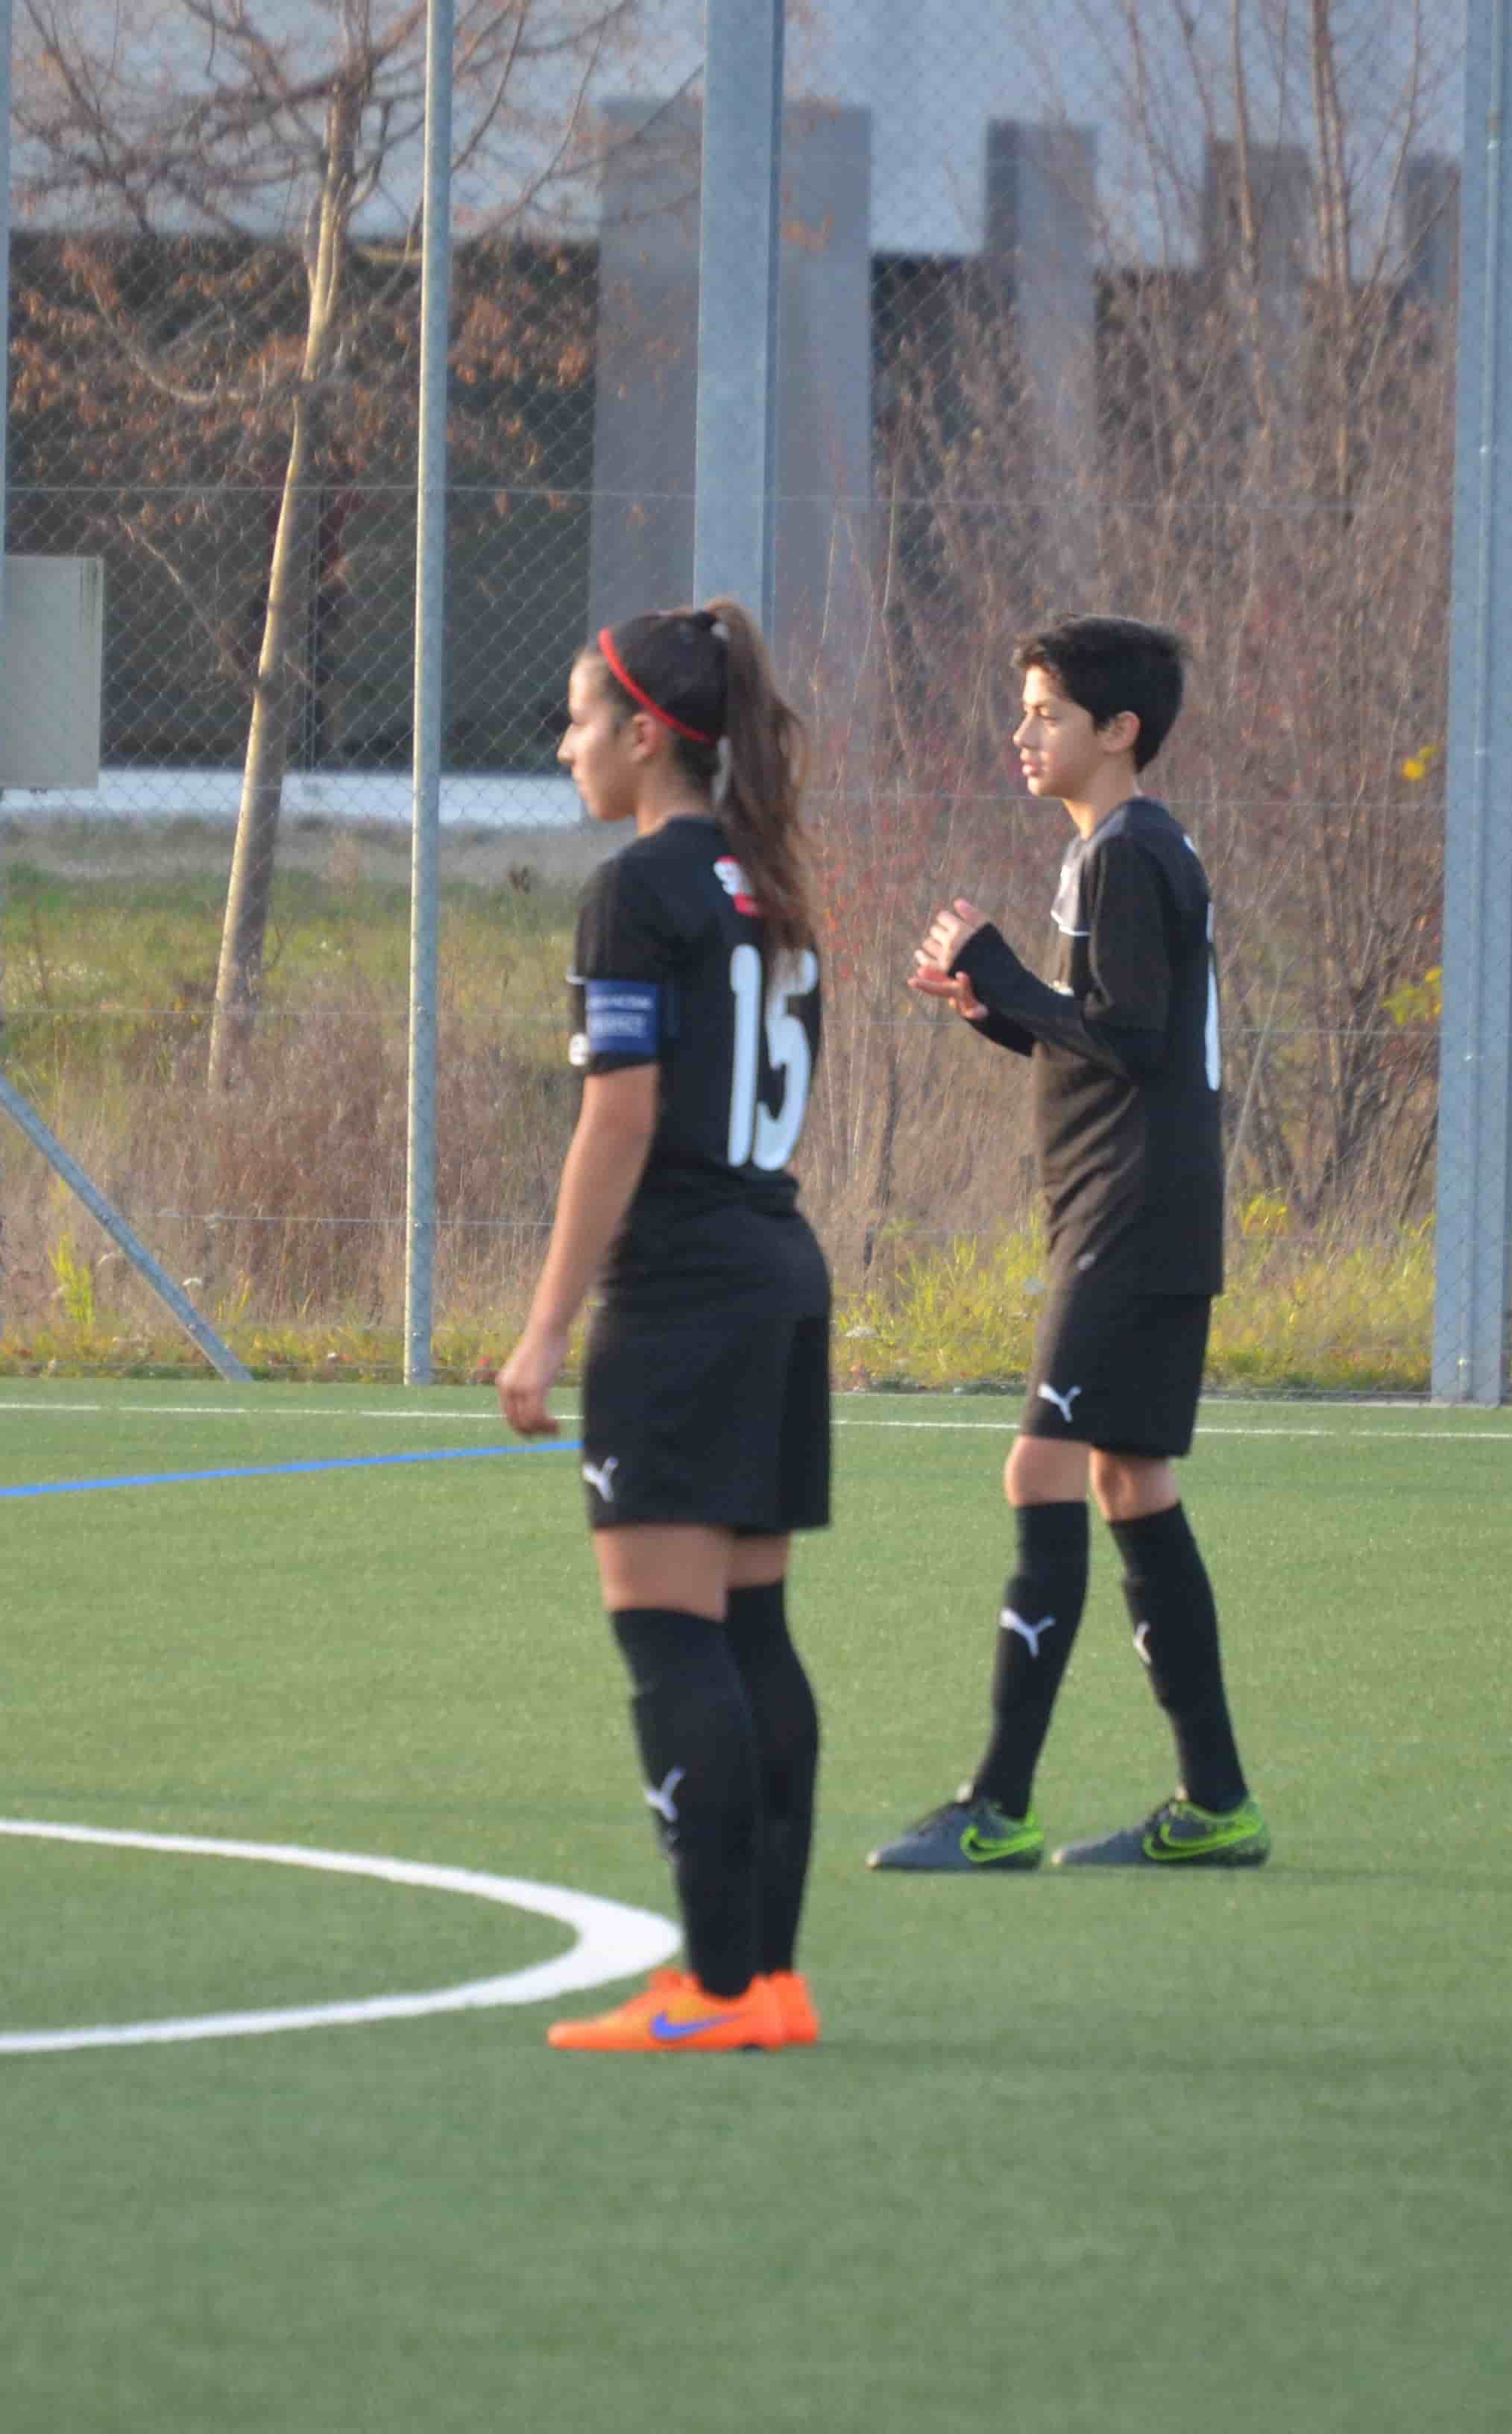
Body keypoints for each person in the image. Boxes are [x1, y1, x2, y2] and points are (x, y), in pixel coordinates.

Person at [867, 615, 1265, 1872]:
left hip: (1127, 1215)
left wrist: (999, 968)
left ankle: (997, 1801)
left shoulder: (1123, 852)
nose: (1022, 731)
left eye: (1046, 710)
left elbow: (1128, 1038)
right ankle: (1215, 1801)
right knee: (1126, 1480)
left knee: (1037, 1472)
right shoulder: (1123, 848)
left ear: (1118, 730)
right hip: (1152, 1207)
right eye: (1024, 708)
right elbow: (1103, 1039)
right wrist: (993, 1003)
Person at [500, 601, 831, 2053]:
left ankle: (711, 1988)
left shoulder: (639, 886)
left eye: (578, 718)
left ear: (644, 735)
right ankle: (764, 1979)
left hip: (687, 1290)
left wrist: (540, 1330)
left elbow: (618, 1117)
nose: (565, 743)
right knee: (751, 1631)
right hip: (776, 1267)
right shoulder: (771, 884)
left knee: (669, 1643)